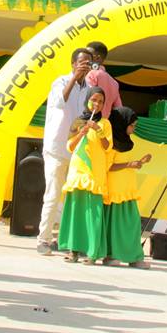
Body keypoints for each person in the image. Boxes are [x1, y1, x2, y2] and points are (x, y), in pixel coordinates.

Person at [37, 47, 93, 255]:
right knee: (52, 195)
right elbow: (60, 102)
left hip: (77, 150)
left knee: (74, 198)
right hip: (56, 148)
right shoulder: (60, 82)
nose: (85, 66)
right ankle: (43, 240)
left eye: (88, 63)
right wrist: (74, 78)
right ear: (73, 64)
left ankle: (68, 241)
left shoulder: (90, 88)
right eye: (81, 62)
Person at [58, 87, 112, 264]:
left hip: (95, 172)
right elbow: (70, 147)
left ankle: (92, 253)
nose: (97, 104)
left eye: (101, 101)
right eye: (94, 100)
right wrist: (81, 133)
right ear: (87, 100)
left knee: (93, 213)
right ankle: (73, 250)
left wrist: (98, 130)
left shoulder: (105, 123)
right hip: (78, 170)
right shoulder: (78, 121)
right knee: (76, 211)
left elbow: (107, 147)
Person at [102, 106, 151, 269]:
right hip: (114, 192)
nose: (133, 129)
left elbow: (127, 163)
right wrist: (129, 164)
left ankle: (134, 257)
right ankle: (111, 255)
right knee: (115, 227)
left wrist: (140, 162)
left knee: (131, 225)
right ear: (121, 124)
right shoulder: (110, 143)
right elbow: (108, 166)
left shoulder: (128, 143)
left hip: (128, 190)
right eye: (132, 125)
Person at [85, 40, 123, 118]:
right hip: (103, 123)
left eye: (87, 55)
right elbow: (119, 108)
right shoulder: (114, 83)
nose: (84, 58)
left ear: (97, 58)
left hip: (87, 121)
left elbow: (84, 97)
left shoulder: (92, 74)